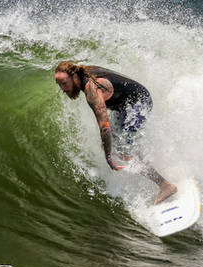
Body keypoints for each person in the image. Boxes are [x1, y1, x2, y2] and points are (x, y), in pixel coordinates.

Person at [54, 61, 178, 204]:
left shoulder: (92, 90)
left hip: (138, 104)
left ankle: (166, 186)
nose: (63, 89)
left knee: (124, 152)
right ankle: (152, 158)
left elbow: (105, 127)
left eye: (64, 83)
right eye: (59, 85)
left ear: (74, 76)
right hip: (125, 106)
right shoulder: (84, 72)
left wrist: (108, 157)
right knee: (114, 144)